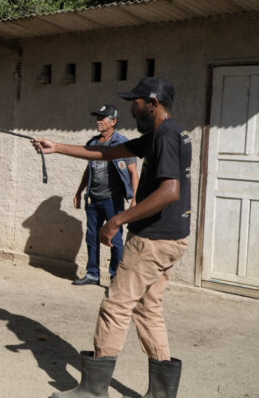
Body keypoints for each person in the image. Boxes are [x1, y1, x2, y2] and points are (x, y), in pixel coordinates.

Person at [32, 77, 191, 398]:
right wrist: (57, 147)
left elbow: (170, 191)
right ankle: (162, 394)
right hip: (173, 240)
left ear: (152, 103)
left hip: (151, 240)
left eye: (136, 103)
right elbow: (107, 153)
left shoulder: (164, 136)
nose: (132, 110)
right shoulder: (168, 133)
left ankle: (92, 390)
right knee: (147, 308)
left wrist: (117, 219)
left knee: (115, 307)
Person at [72, 104, 139, 286]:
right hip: (92, 199)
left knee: (115, 239)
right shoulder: (92, 143)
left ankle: (115, 277)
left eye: (102, 118)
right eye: (97, 118)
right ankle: (93, 274)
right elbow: (89, 170)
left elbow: (133, 172)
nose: (98, 121)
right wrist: (80, 191)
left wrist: (135, 198)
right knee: (92, 236)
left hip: (113, 200)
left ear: (114, 121)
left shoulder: (122, 143)